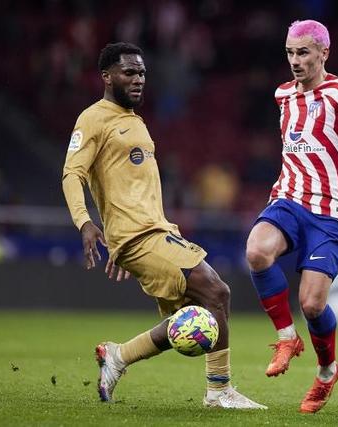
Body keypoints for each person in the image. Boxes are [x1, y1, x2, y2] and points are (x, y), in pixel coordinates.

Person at [62, 42, 265, 410]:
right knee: (217, 291)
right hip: (141, 237)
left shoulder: (135, 121)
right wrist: (85, 222)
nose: (138, 79)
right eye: (129, 72)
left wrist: (122, 245)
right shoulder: (92, 119)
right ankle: (219, 392)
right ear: (106, 76)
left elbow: (129, 190)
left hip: (155, 232)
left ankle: (118, 355)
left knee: (190, 320)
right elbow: (72, 174)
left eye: (142, 72)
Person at [245, 20, 338, 414]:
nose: (295, 60)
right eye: (290, 52)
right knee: (256, 251)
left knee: (312, 305)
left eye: (303, 52)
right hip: (288, 200)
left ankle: (326, 371)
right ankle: (286, 338)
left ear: (324, 53)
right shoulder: (283, 95)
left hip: (330, 214)